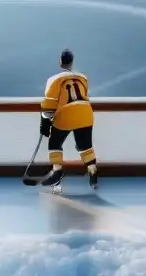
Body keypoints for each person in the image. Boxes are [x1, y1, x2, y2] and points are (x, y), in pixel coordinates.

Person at [37, 49, 98, 193]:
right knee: (85, 146)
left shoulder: (53, 79)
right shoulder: (83, 78)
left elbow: (49, 104)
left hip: (66, 114)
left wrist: (44, 122)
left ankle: (57, 172)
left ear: (60, 62)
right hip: (85, 113)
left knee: (55, 143)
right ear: (72, 62)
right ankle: (93, 171)